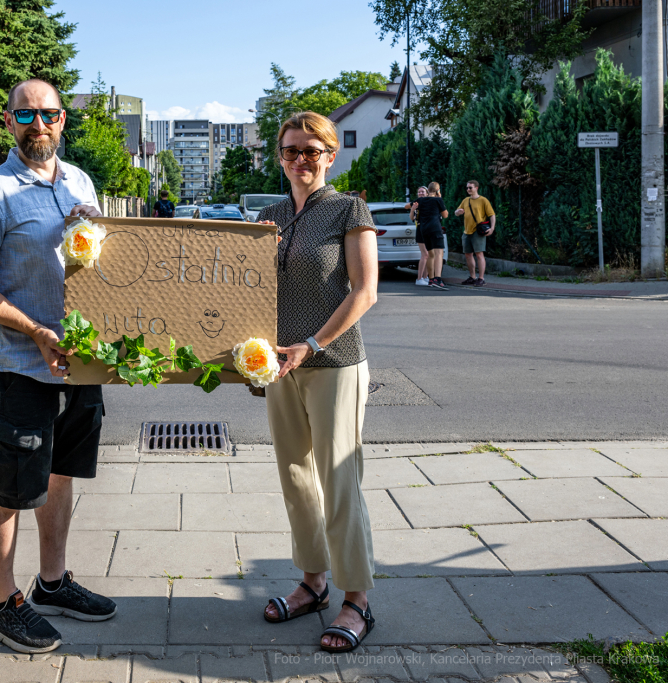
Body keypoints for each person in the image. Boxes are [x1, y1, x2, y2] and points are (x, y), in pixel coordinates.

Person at [0, 78, 115, 654]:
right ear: (8, 121)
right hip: (22, 367)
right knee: (9, 490)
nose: (38, 124)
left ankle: (51, 583)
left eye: (47, 115)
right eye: (26, 115)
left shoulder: (80, 181)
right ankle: (0, 605)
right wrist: (36, 331)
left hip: (82, 364)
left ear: (62, 120)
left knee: (60, 475)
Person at [256, 111, 379, 654]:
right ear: (279, 158)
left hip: (334, 363)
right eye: (291, 151)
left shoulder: (348, 209)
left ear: (330, 155)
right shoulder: (271, 215)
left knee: (338, 478)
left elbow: (364, 292)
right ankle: (312, 581)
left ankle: (357, 600)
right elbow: (252, 293)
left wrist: (315, 342)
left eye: (312, 150)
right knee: (295, 477)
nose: (301, 160)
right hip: (280, 366)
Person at [454, 179, 495, 286]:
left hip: (478, 231)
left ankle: (481, 278)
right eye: (467, 188)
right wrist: (458, 212)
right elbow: (456, 212)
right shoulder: (465, 200)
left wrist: (492, 228)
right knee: (468, 255)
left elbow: (492, 215)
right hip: (466, 231)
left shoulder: (483, 200)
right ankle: (472, 277)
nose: (468, 189)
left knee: (479, 254)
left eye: (470, 187)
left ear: (476, 188)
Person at [414, 182, 449, 290]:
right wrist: (440, 198)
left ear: (428, 190)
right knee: (439, 253)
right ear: (438, 191)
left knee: (430, 254)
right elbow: (445, 215)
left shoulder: (420, 200)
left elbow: (411, 207)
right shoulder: (438, 200)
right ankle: (437, 279)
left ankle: (431, 279)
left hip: (424, 229)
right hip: (435, 228)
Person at [407, 187, 429, 286]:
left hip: (429, 230)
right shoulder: (416, 204)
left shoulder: (430, 202)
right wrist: (412, 209)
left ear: (427, 193)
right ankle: (419, 278)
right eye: (419, 192)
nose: (420, 193)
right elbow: (412, 218)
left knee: (429, 255)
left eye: (422, 192)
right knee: (425, 254)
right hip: (420, 230)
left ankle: (426, 277)